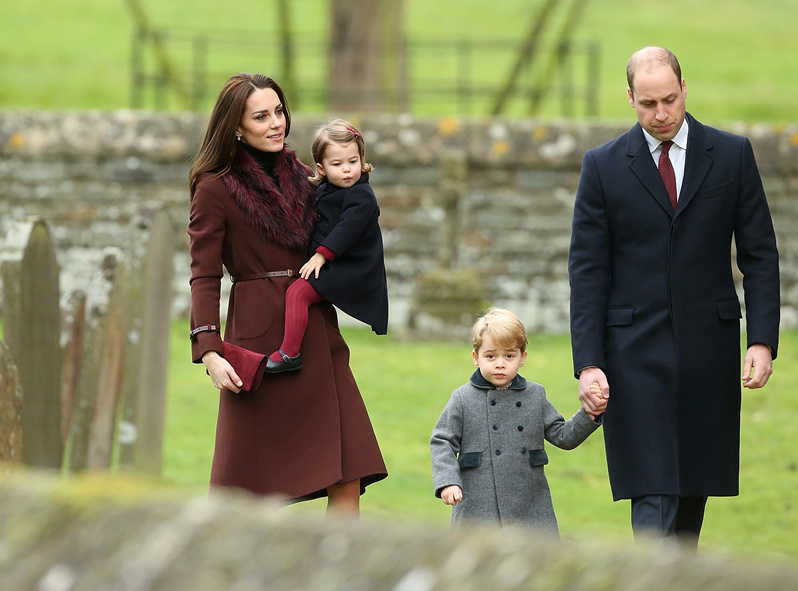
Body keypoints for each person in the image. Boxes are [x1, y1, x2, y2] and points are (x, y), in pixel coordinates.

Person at [568, 47, 780, 551]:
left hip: (710, 349)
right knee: (654, 489)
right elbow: (587, 269)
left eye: (669, 100)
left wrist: (762, 340)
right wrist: (588, 363)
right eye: (647, 104)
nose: (661, 114)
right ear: (629, 99)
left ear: (685, 89)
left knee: (691, 496)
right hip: (632, 353)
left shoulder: (732, 155)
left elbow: (760, 255)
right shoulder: (601, 167)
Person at [187, 73, 387, 517]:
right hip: (259, 340)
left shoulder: (306, 176)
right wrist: (209, 350)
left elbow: (354, 220)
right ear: (236, 127)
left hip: (314, 326)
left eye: (279, 111)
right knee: (253, 483)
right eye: (261, 116)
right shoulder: (214, 187)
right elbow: (203, 275)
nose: (276, 123)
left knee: (346, 467)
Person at [430, 308, 604, 536]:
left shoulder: (535, 395)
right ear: (476, 358)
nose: (500, 364)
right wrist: (448, 482)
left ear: (522, 358)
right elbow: (442, 441)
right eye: (491, 356)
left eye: (509, 356)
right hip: (478, 505)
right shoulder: (462, 398)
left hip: (530, 505)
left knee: (537, 566)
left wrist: (589, 413)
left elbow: (563, 436)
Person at [265, 119, 388, 373]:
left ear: (361, 158)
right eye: (337, 164)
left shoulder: (362, 197)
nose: (347, 170)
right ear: (321, 168)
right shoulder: (325, 189)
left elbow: (346, 230)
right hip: (334, 262)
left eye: (353, 162)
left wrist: (321, 256)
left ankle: (290, 354)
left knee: (297, 293)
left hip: (351, 268)